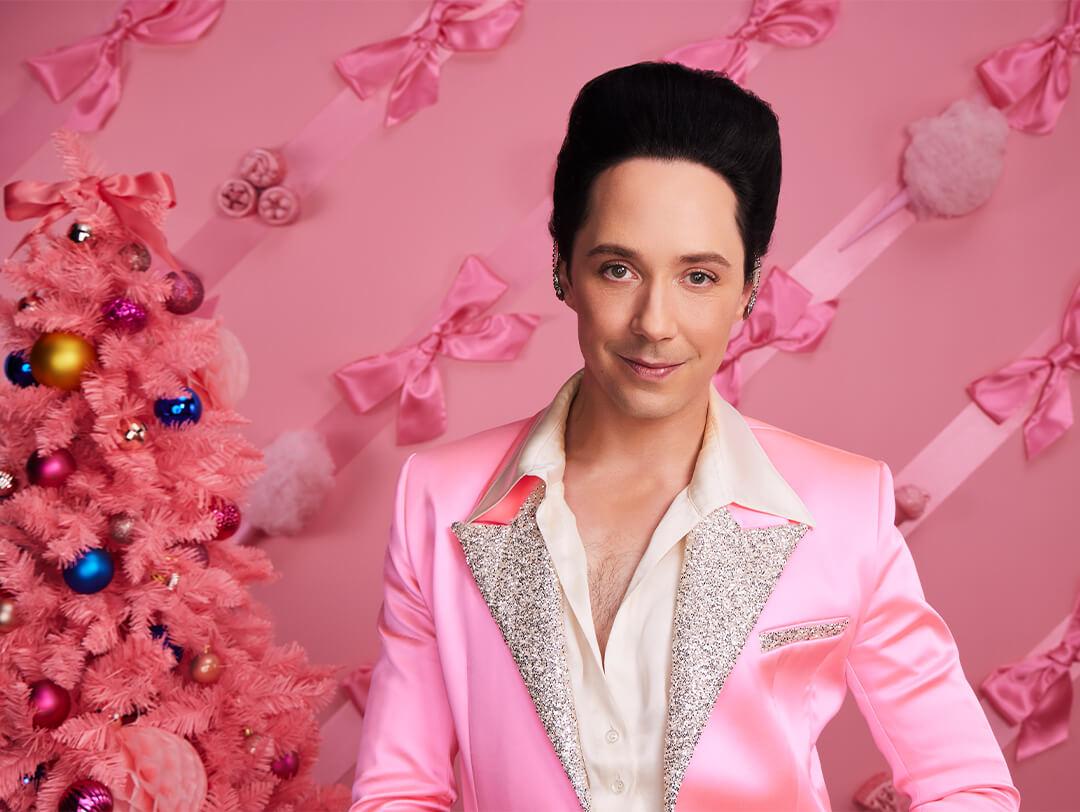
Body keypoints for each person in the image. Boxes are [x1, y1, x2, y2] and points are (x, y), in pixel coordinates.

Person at [350, 61, 1021, 811]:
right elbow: (399, 790)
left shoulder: (843, 508)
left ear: (749, 291)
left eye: (698, 277)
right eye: (618, 270)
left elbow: (965, 785)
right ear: (563, 272)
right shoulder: (438, 498)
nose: (655, 323)